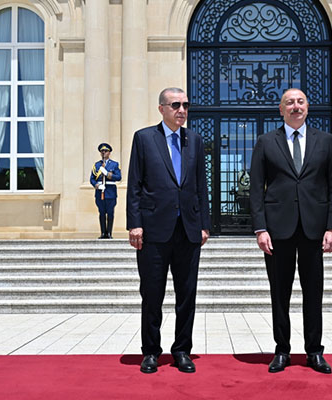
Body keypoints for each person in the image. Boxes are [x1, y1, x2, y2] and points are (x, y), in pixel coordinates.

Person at [249, 88, 332, 374]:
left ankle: (314, 351)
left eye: (300, 102)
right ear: (281, 109)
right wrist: (260, 228)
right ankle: (282, 350)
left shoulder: (325, 141)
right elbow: (256, 188)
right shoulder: (266, 142)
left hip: (314, 229)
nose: (295, 106)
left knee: (313, 292)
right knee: (280, 293)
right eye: (289, 102)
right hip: (278, 230)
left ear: (307, 107)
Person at [126, 87, 210, 374]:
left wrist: (204, 225)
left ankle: (182, 350)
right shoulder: (144, 138)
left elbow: (201, 186)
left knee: (187, 295)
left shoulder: (194, 140)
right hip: (153, 231)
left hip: (188, 230)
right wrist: (135, 223)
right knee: (152, 294)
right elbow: (135, 185)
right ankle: (151, 351)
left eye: (185, 105)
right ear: (161, 108)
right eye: (175, 105)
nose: (182, 110)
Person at [90, 143, 121, 239]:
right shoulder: (97, 165)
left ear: (109, 153)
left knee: (110, 213)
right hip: (100, 192)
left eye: (106, 151)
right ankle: (103, 233)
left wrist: (107, 174)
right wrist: (97, 185)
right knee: (102, 212)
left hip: (110, 193)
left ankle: (109, 233)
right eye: (102, 151)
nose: (104, 153)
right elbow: (92, 178)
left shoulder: (114, 164)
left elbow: (118, 177)